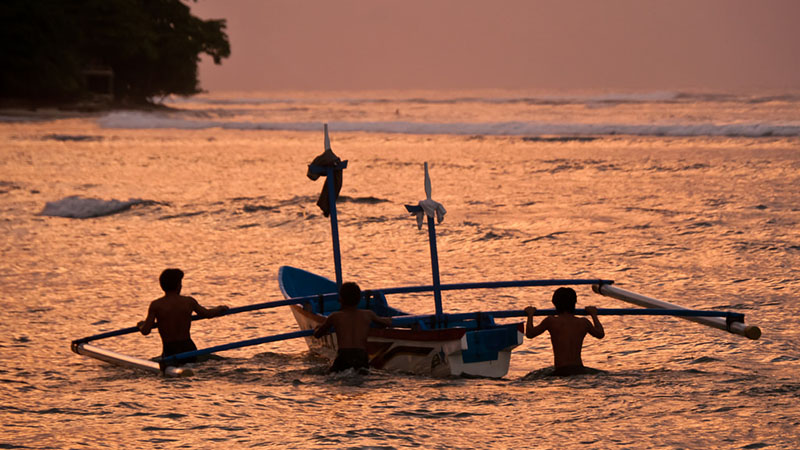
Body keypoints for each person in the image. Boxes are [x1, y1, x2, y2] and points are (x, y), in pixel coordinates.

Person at [137, 268, 229, 365]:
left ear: (162, 286)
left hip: (170, 350)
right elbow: (207, 314)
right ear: (178, 285)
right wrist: (220, 308)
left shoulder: (156, 305)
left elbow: (145, 331)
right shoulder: (189, 302)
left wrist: (140, 325)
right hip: (189, 347)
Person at [313, 282, 393, 373]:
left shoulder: (335, 316)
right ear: (359, 299)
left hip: (344, 355)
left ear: (340, 299)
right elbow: (385, 322)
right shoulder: (368, 314)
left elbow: (318, 334)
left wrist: (316, 327)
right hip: (361, 356)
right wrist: (390, 320)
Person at [524, 287, 605, 376]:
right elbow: (600, 334)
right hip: (579, 369)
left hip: (561, 371)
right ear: (574, 303)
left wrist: (530, 315)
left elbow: (530, 333)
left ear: (554, 303)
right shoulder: (583, 322)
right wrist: (594, 315)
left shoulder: (551, 321)